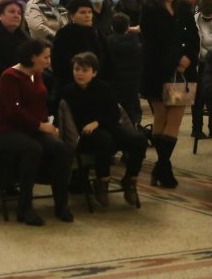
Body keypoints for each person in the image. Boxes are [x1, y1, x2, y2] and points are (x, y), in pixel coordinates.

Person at [0, 39, 73, 225]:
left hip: (33, 128)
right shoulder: (10, 76)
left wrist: (48, 125)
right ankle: (24, 207)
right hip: (8, 130)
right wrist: (40, 126)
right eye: (45, 57)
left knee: (62, 149)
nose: (48, 61)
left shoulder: (37, 74)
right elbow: (14, 111)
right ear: (33, 57)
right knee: (32, 149)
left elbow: (40, 104)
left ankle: (61, 204)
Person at [57, 51, 146, 208]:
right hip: (84, 134)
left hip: (107, 125)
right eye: (77, 69)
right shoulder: (67, 92)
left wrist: (97, 122)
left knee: (139, 139)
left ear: (94, 73)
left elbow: (113, 113)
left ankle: (130, 180)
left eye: (84, 70)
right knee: (104, 140)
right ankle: (102, 181)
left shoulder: (103, 88)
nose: (79, 74)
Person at [140, 0, 200, 188]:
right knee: (161, 116)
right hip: (158, 70)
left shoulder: (184, 7)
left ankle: (162, 165)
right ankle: (163, 167)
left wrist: (188, 58)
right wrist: (176, 59)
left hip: (182, 71)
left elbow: (193, 35)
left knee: (175, 116)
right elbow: (152, 41)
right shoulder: (151, 8)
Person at [50, 0, 104, 100]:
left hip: (95, 84)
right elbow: (58, 62)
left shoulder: (96, 32)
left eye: (89, 12)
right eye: (82, 12)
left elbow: (104, 58)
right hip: (69, 86)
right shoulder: (64, 34)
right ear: (72, 16)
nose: (87, 15)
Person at [104, 12, 143, 126]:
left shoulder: (108, 44)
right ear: (128, 26)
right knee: (132, 110)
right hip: (134, 84)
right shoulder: (137, 44)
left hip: (115, 84)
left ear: (112, 27)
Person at [191, 0, 212, 140]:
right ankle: (196, 129)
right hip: (199, 63)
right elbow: (195, 42)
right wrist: (205, 54)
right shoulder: (194, 20)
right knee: (198, 98)